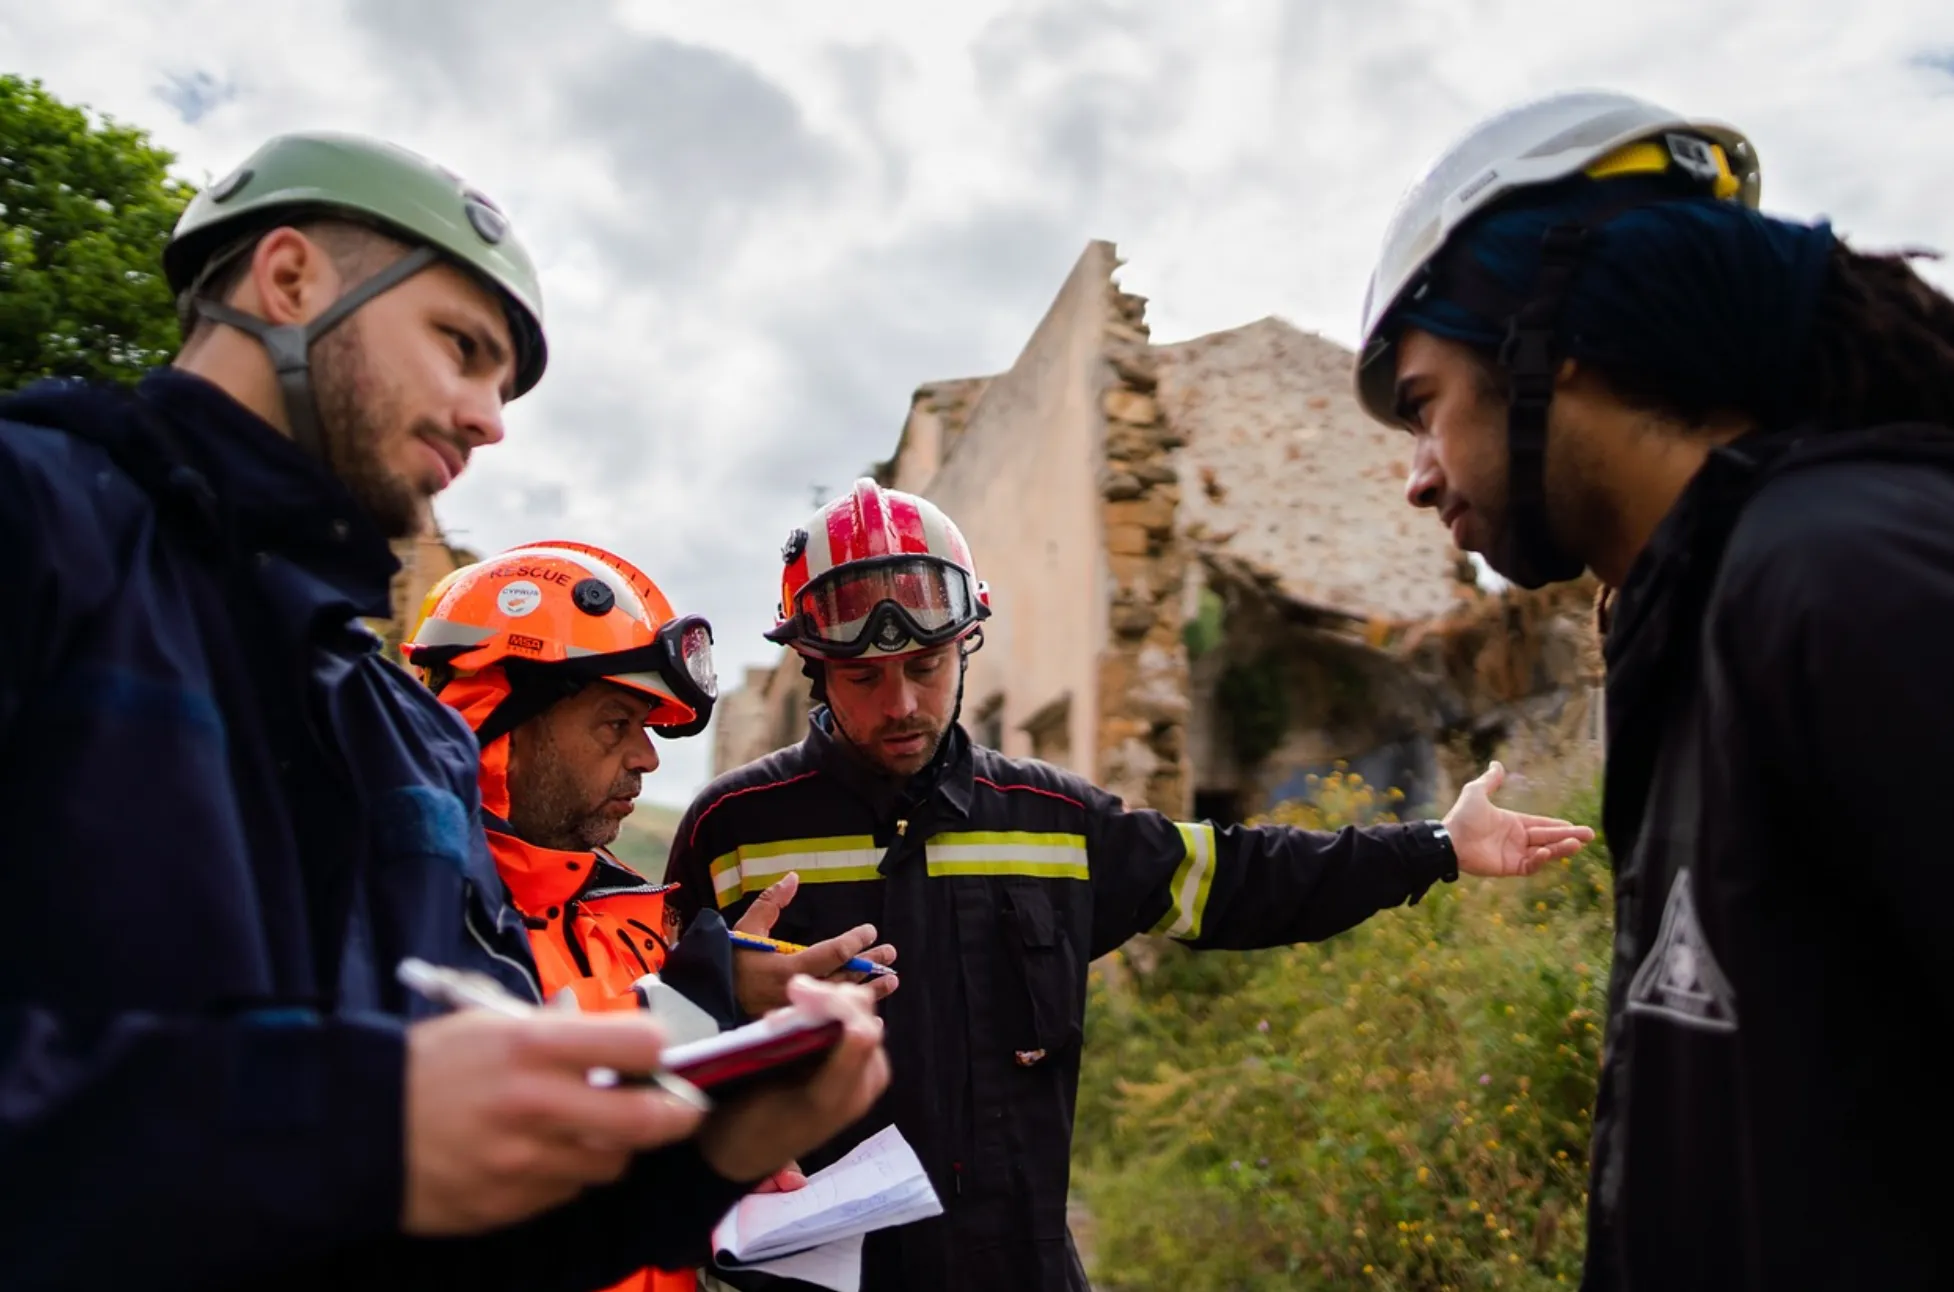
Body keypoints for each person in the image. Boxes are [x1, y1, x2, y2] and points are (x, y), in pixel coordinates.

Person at [0, 131, 887, 1292]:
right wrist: (348, 1122)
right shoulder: (36, 526)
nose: (489, 418)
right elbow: (369, 1137)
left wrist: (710, 1151)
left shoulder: (405, 736)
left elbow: (453, 1214)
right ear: (289, 278)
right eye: (461, 349)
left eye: (503, 383)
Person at [663, 478, 1594, 1291]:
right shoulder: (731, 829)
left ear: (967, 645)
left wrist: (1434, 846)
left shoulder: (1051, 820)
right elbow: (627, 1022)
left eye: (928, 665)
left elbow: (1243, 877)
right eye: (864, 677)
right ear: (814, 669)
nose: (901, 703)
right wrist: (716, 1015)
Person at [1353, 88, 1954, 1289]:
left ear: (1550, 340)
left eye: (1423, 405)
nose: (1418, 480)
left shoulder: (1841, 580)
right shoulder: (1706, 608)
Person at [407, 538, 811, 1292]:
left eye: (648, 730)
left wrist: (734, 1137)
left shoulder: (635, 920)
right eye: (615, 723)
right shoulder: (401, 919)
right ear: (498, 722)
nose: (648, 759)